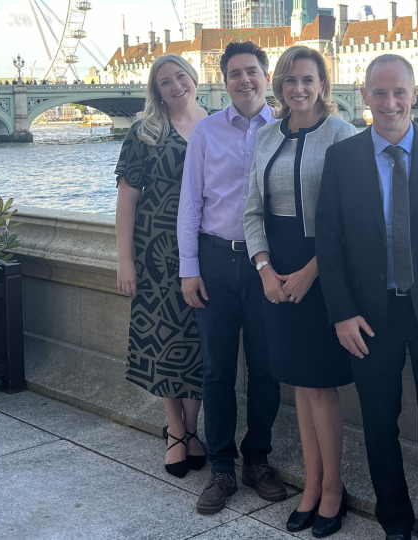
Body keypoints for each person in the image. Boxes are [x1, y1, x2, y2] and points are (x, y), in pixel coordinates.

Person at [315, 54, 418, 540]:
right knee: (379, 424)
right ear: (363, 96)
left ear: (414, 93)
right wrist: (342, 314)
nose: (390, 103)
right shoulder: (342, 159)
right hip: (370, 316)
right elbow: (330, 242)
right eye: (379, 93)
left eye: (399, 92)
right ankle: (395, 522)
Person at [243, 45, 356, 538]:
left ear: (322, 84)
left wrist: (312, 272)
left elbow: (353, 220)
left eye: (307, 80)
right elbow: (252, 213)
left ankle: (333, 489)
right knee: (297, 383)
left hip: (323, 270)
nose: (298, 88)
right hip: (276, 272)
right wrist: (265, 269)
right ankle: (312, 484)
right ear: (279, 86)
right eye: (289, 80)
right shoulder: (267, 135)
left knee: (319, 383)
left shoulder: (342, 135)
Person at [178, 41, 287, 515]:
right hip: (217, 260)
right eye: (235, 73)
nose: (245, 80)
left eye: (253, 72)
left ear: (267, 77)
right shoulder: (205, 132)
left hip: (267, 264)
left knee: (266, 368)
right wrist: (189, 270)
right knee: (218, 370)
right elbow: (190, 205)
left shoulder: (285, 130)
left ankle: (257, 459)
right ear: (223, 82)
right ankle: (221, 467)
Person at [115, 54, 208, 480]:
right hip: (155, 251)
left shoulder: (215, 123)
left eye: (180, 77)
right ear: (157, 91)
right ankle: (176, 429)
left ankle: (192, 428)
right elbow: (127, 199)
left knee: (198, 339)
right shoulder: (145, 132)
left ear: (193, 78)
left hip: (204, 248)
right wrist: (125, 260)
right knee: (163, 340)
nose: (175, 86)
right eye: (165, 82)